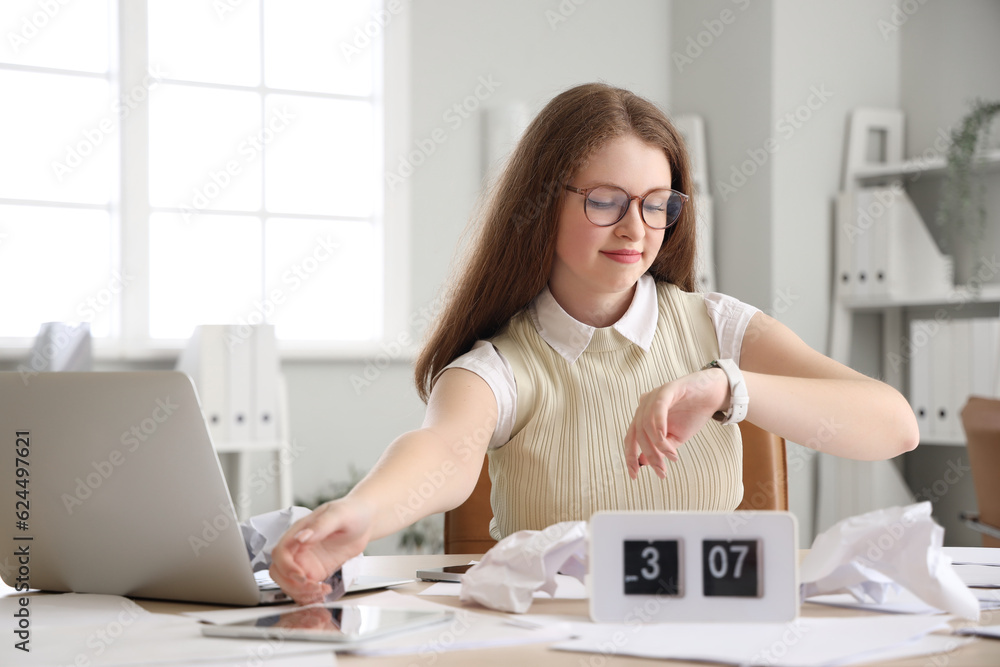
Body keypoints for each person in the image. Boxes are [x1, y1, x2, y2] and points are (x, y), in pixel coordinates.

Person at [270, 83, 919, 604]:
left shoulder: (717, 327)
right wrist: (360, 513)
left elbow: (894, 425)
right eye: (606, 201)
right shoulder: (501, 365)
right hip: (551, 650)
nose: (636, 228)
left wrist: (725, 383)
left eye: (657, 203)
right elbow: (441, 451)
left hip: (712, 639)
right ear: (543, 202)